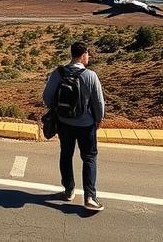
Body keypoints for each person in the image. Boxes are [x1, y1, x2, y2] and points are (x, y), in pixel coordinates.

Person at [42, 41, 106, 212]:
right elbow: (98, 102)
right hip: (86, 125)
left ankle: (69, 190)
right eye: (88, 54)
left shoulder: (58, 73)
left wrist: (58, 110)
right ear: (84, 54)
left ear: (71, 54)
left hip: (64, 123)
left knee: (66, 154)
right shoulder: (90, 75)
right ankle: (90, 197)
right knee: (89, 157)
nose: (89, 57)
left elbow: (47, 98)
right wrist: (98, 119)